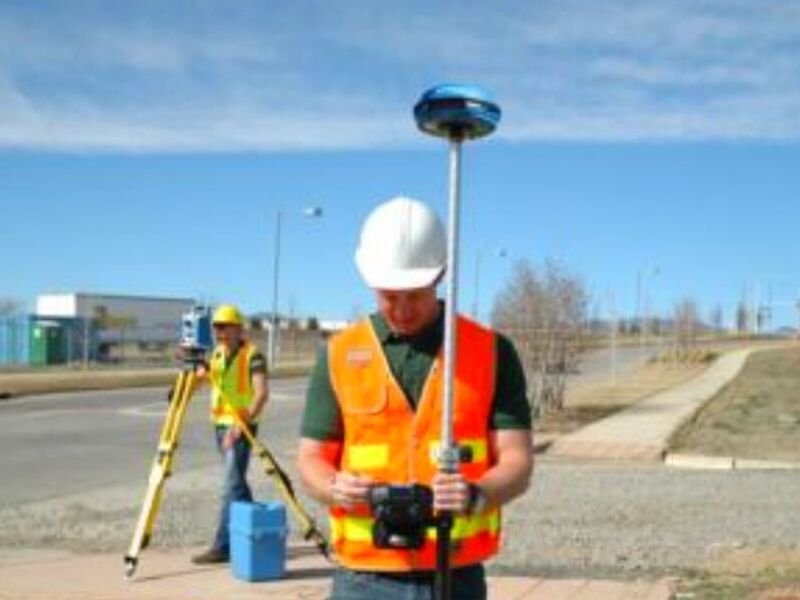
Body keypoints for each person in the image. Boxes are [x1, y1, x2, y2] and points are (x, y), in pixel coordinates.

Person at [297, 197, 533, 600]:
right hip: (363, 577)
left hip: (454, 571)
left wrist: (478, 494)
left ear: (440, 274)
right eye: (390, 296)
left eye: (415, 295)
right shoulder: (338, 354)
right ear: (370, 281)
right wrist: (334, 486)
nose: (403, 309)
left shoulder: (490, 351)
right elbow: (310, 458)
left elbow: (518, 460)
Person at [191, 304, 269, 565]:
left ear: (238, 328)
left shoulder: (253, 356)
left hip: (241, 428)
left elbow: (261, 394)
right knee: (237, 485)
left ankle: (222, 546)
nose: (219, 332)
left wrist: (239, 426)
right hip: (219, 426)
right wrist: (188, 384)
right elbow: (206, 381)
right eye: (216, 327)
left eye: (225, 327)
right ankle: (257, 528)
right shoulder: (217, 355)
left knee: (230, 487)